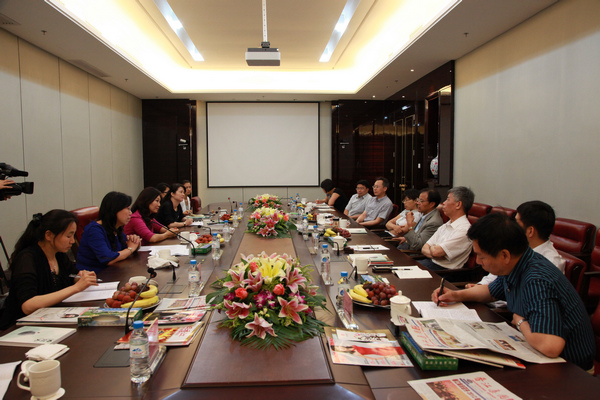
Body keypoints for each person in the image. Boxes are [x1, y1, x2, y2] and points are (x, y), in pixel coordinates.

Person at [432, 213, 595, 371]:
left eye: (481, 256)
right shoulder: (516, 264)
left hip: (570, 370)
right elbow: (490, 292)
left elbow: (550, 346)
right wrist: (455, 295)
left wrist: (520, 322)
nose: (479, 262)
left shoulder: (536, 279)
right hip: (540, 353)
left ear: (504, 255)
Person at [0, 210, 98, 329]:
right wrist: (76, 288)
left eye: (73, 235)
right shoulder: (27, 259)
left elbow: (72, 275)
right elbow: (28, 305)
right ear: (48, 235)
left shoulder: (59, 254)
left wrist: (81, 278)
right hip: (20, 326)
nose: (72, 241)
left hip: (52, 318)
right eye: (68, 236)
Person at [472, 200, 565, 288]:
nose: (512, 226)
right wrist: (479, 286)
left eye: (516, 223)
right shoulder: (516, 246)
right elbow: (495, 276)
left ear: (530, 231)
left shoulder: (550, 263)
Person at [76, 192, 141, 272]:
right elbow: (108, 258)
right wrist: (131, 248)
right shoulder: (94, 230)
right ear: (115, 209)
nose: (130, 213)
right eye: (128, 209)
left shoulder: (115, 227)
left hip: (113, 271)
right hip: (95, 275)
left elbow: (125, 248)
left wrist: (135, 242)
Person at [420, 186, 474, 271]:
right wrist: (435, 253)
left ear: (458, 205)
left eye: (448, 200)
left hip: (443, 272)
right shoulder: (446, 224)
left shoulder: (464, 230)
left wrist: (434, 250)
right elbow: (424, 248)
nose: (444, 203)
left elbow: (436, 252)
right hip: (430, 263)